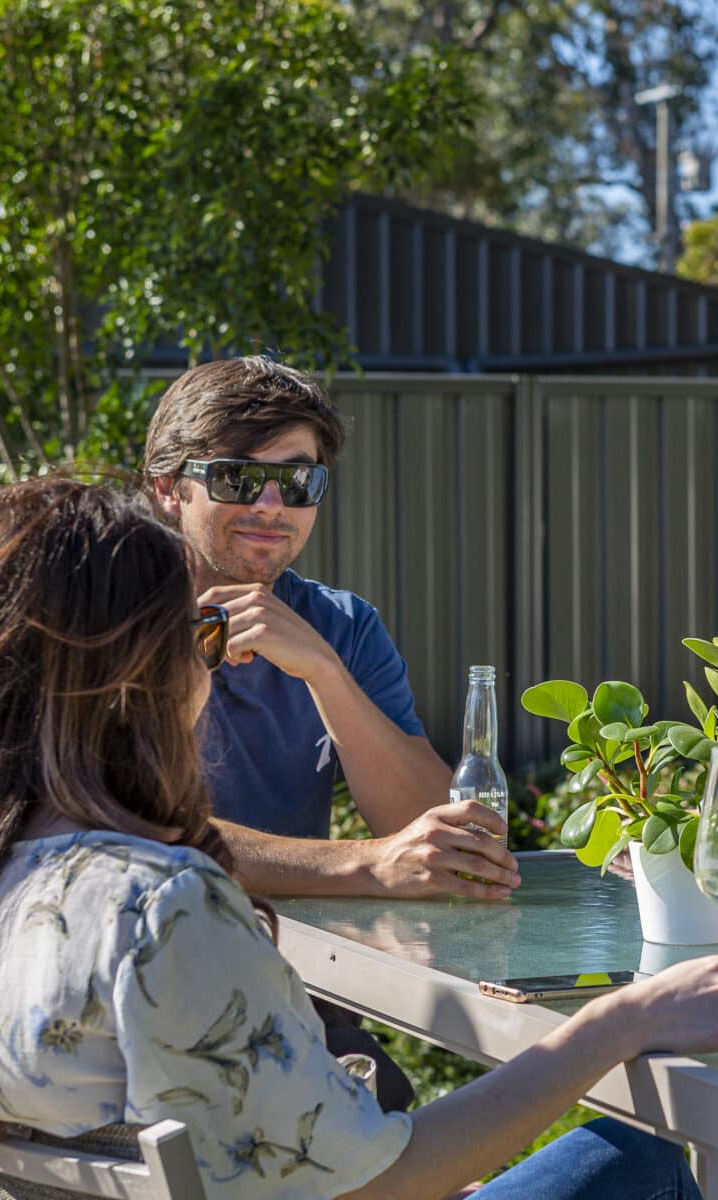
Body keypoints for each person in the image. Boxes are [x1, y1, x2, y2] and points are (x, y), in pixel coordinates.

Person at [0, 476, 718, 1199]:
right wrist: (622, 1018)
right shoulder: (162, 908)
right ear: (128, 671)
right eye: (193, 633)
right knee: (639, 1164)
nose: (209, 660)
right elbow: (389, 1179)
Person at [144, 357, 515, 1108]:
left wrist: (325, 674)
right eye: (239, 479)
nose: (272, 505)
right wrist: (365, 865)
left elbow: (437, 837)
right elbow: (140, 839)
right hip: (159, 1007)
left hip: (300, 1002)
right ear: (166, 488)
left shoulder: (341, 627)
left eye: (301, 481)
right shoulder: (110, 623)